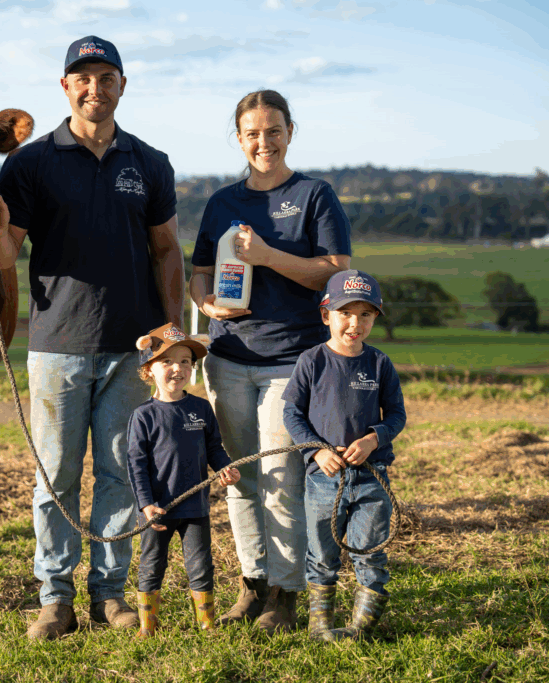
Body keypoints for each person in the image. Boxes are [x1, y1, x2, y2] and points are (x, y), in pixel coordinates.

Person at [0, 35, 185, 641]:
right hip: (57, 342)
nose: (94, 88)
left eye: (106, 77)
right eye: (83, 78)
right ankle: (54, 597)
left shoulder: (149, 162)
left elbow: (168, 249)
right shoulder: (31, 163)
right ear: (66, 87)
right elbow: (7, 253)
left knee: (123, 474)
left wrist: (170, 330)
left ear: (123, 85)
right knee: (56, 476)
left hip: (134, 348)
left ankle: (109, 595)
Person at [188, 90, 352, 634]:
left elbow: (334, 273)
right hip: (229, 358)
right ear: (239, 138)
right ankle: (252, 585)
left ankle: (285, 593)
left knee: (282, 476)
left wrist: (267, 256)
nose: (264, 141)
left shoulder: (313, 196)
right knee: (239, 478)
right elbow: (200, 275)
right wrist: (207, 303)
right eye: (252, 133)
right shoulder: (221, 203)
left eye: (274, 130)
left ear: (290, 132)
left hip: (291, 361)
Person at [281, 270, 406, 641]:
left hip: (372, 475)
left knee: (370, 550)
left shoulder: (380, 364)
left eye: (365, 315)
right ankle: (320, 627)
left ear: (375, 319)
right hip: (324, 478)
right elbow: (292, 413)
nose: (355, 323)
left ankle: (360, 630)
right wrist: (317, 450)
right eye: (345, 313)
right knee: (321, 553)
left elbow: (396, 415)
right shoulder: (311, 361)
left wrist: (373, 439)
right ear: (326, 315)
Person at [126, 323, 241, 638]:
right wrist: (146, 505)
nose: (177, 368)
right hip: (158, 511)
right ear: (149, 369)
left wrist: (224, 468)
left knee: (201, 566)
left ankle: (207, 624)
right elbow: (136, 464)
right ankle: (148, 626)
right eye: (167, 361)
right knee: (152, 565)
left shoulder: (201, 408)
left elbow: (215, 448)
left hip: (195, 508)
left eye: (186, 361)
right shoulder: (144, 416)